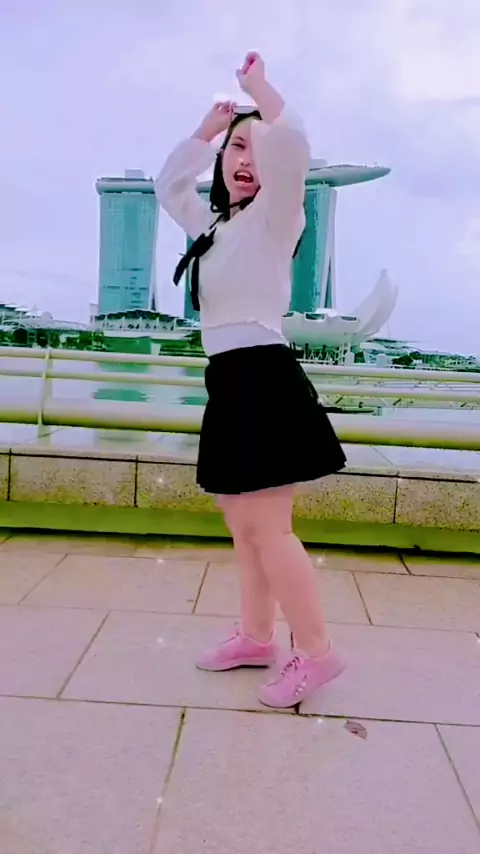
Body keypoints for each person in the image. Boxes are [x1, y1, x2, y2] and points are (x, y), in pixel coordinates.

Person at [155, 52, 347, 709]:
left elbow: (293, 148)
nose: (248, 158)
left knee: (270, 529)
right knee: (244, 527)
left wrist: (258, 91)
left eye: (258, 150)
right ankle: (258, 637)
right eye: (238, 146)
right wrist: (204, 130)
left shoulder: (276, 218)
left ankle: (316, 652)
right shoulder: (215, 226)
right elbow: (170, 187)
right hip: (230, 380)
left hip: (264, 379)